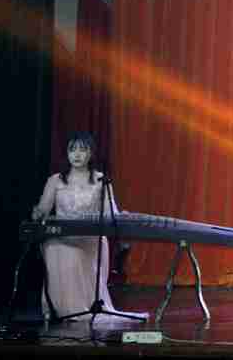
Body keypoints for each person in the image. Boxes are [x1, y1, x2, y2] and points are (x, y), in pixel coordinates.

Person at [31, 131, 147, 323]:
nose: (77, 155)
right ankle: (63, 309)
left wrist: (121, 216)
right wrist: (37, 214)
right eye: (72, 150)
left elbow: (110, 212)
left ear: (90, 153)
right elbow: (43, 209)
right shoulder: (55, 180)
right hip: (62, 236)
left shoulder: (101, 180)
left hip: (90, 238)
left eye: (82, 150)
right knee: (54, 247)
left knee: (79, 251)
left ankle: (81, 309)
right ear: (67, 153)